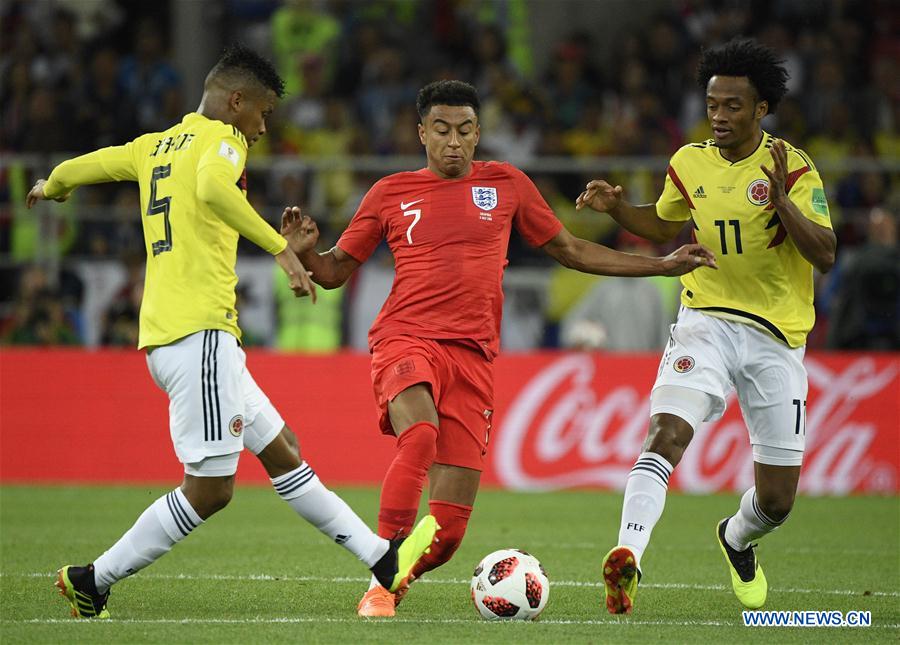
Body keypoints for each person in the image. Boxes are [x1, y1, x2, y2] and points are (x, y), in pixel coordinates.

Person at [25, 44, 436, 619]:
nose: (263, 128)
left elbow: (92, 163)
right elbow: (214, 189)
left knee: (284, 451)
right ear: (234, 101)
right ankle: (93, 579)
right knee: (211, 489)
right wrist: (280, 251)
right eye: (263, 113)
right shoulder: (224, 140)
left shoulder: (153, 146)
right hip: (199, 337)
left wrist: (53, 185)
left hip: (176, 336)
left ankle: (382, 561)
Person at [280, 79, 717, 617]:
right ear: (421, 133)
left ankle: (398, 580)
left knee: (448, 534)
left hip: (474, 358)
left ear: (479, 132)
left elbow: (572, 249)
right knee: (418, 436)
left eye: (465, 130)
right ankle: (383, 574)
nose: (454, 142)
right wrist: (304, 253)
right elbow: (334, 271)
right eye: (441, 130)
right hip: (406, 337)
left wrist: (662, 264)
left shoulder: (506, 184)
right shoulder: (389, 193)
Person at [576, 38, 836, 614]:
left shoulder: (794, 168)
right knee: (666, 434)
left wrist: (785, 204)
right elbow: (662, 222)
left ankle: (736, 537)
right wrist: (618, 207)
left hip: (775, 338)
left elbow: (826, 254)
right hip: (705, 319)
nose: (718, 116)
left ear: (760, 109)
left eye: (732, 106)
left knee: (777, 501)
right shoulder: (688, 161)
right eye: (713, 104)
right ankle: (628, 558)